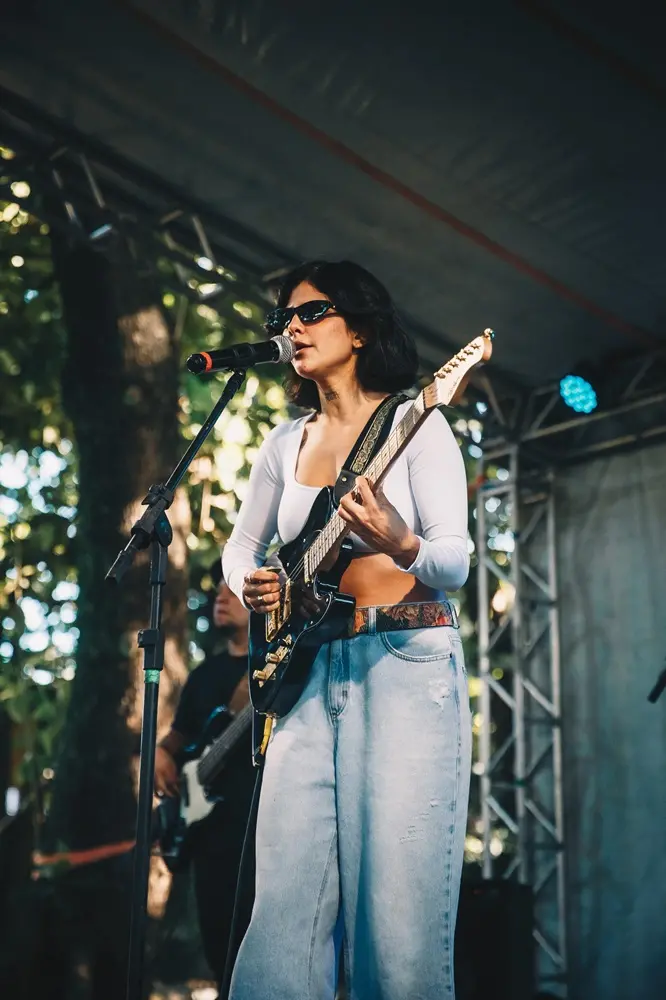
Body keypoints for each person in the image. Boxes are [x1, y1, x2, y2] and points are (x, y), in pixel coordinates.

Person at [222, 260, 471, 999]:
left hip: (404, 658)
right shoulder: (283, 442)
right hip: (307, 672)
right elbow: (242, 549)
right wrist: (255, 584)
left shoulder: (417, 421)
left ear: (359, 328)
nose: (290, 328)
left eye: (310, 312)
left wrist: (402, 544)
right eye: (282, 319)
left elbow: (454, 559)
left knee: (398, 921)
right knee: (283, 917)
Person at [154, 570, 256, 992]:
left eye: (231, 590)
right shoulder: (205, 674)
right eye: (216, 591)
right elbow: (179, 737)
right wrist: (161, 752)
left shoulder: (273, 667)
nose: (220, 597)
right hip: (206, 834)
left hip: (254, 828)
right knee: (218, 947)